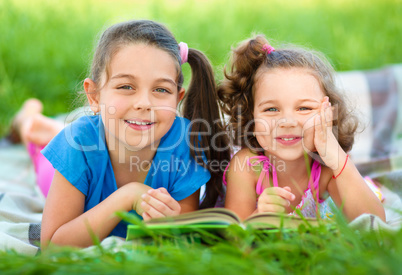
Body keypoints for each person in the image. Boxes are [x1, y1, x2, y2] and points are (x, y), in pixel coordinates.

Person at [10, 19, 230, 248]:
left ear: (177, 98)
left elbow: (178, 237)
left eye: (161, 90)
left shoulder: (185, 144)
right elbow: (52, 248)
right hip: (68, 165)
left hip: (103, 135)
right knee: (39, 143)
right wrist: (129, 196)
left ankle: (46, 127)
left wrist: (171, 223)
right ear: (94, 96)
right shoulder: (76, 144)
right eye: (126, 87)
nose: (144, 103)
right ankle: (29, 118)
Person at [217, 35, 385, 222]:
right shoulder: (246, 167)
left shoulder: (327, 167)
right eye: (271, 109)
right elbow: (235, 236)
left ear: (328, 114)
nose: (287, 122)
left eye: (304, 108)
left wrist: (336, 157)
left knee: (355, 181)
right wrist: (259, 217)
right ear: (250, 116)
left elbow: (374, 222)